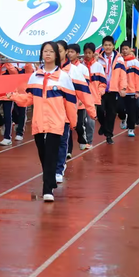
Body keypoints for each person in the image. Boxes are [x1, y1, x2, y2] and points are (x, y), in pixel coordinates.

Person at [8, 41, 78, 202]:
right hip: (39, 120)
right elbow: (29, 98)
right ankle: (51, 178)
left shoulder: (64, 77)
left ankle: (47, 189)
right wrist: (14, 97)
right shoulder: (35, 76)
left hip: (56, 121)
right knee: (43, 153)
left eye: (50, 52)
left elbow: (70, 103)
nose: (47, 54)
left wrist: (74, 124)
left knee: (52, 153)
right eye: (44, 51)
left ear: (56, 55)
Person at [55, 41, 95, 183]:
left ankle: (59, 168)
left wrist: (91, 110)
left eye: (59, 50)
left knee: (62, 139)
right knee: (47, 144)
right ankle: (54, 166)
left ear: (65, 52)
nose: (55, 53)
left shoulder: (75, 70)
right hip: (49, 114)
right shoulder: (45, 70)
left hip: (67, 111)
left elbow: (84, 91)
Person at [97, 36, 127, 144]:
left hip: (114, 90)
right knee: (99, 110)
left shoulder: (119, 59)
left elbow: (123, 75)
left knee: (111, 113)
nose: (108, 47)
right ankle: (103, 125)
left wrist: (123, 88)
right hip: (101, 89)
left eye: (110, 45)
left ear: (113, 46)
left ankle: (109, 135)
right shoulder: (99, 59)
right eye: (106, 45)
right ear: (103, 46)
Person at [0, 57, 18, 146]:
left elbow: (15, 74)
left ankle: (7, 138)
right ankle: (2, 124)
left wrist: (7, 64)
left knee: (7, 115)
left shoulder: (12, 63)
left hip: (8, 93)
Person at [83, 42, 106, 146]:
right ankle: (82, 138)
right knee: (81, 120)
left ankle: (89, 140)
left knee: (90, 120)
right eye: (86, 53)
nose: (87, 55)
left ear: (93, 53)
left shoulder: (98, 66)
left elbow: (103, 82)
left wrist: (99, 91)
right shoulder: (80, 66)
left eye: (89, 53)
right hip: (81, 97)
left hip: (93, 97)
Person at [118, 42, 139, 137]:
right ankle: (123, 118)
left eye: (126, 49)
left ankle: (131, 129)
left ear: (130, 49)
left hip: (131, 90)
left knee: (131, 110)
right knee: (119, 108)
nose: (124, 51)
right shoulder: (119, 61)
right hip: (120, 90)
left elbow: (138, 77)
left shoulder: (135, 62)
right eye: (123, 49)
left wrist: (137, 91)